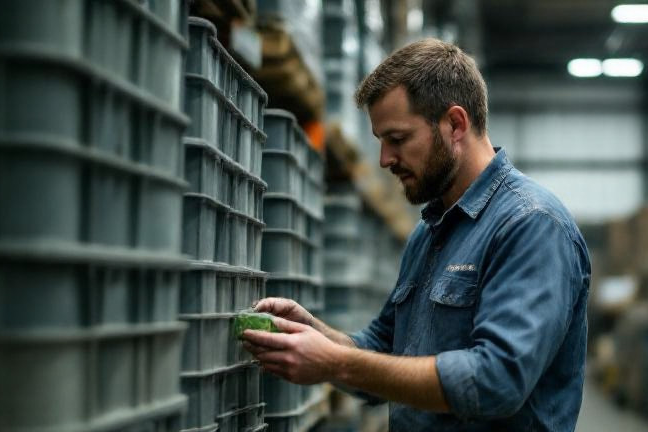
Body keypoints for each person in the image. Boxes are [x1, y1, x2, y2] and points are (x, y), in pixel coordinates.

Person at [242, 38, 591, 432]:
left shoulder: (533, 225)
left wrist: (335, 362)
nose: (385, 160)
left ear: (455, 124)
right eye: (380, 142)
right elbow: (386, 351)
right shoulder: (429, 233)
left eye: (398, 139)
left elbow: (496, 381)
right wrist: (315, 334)